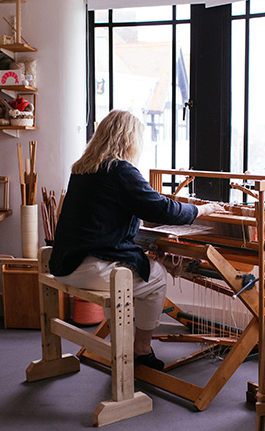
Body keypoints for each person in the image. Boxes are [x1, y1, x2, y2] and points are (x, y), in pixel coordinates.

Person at [49, 109, 223, 371]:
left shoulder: (82, 169)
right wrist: (201, 210)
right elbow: (162, 209)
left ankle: (124, 341)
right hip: (94, 270)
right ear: (129, 139)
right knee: (157, 275)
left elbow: (104, 212)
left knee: (135, 272)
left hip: (65, 265)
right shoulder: (119, 170)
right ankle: (141, 350)